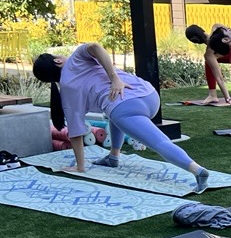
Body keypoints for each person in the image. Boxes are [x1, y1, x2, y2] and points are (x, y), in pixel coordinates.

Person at [32, 43, 210, 191]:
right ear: (57, 60)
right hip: (149, 95)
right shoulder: (76, 57)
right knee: (111, 114)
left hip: (125, 107)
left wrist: (80, 166)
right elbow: (95, 46)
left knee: (158, 142)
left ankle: (198, 170)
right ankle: (113, 156)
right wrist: (114, 76)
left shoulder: (66, 91)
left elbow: (76, 130)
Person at [184, 23, 231, 105]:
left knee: (209, 60)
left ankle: (212, 94)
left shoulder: (209, 53)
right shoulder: (216, 27)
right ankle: (212, 95)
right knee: (209, 62)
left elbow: (220, 78)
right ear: (202, 30)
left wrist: (228, 99)